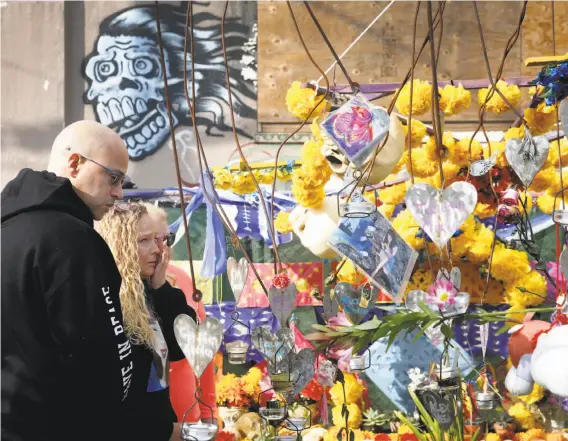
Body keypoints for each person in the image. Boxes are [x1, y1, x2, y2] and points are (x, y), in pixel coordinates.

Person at [1, 120, 132, 441]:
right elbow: (101, 355)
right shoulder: (75, 239)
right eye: (113, 178)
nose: (118, 192)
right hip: (53, 424)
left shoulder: (8, 229)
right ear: (75, 163)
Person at [96, 202, 198, 441]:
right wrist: (164, 431)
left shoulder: (148, 292)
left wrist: (162, 287)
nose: (157, 250)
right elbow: (112, 398)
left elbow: (185, 347)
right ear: (119, 246)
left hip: (161, 426)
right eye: (144, 241)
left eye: (159, 240)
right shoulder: (108, 301)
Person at [144, 203, 218, 425]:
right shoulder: (118, 286)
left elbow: (203, 348)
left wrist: (209, 412)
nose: (161, 249)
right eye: (148, 240)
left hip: (189, 414)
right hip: (147, 423)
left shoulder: (183, 279)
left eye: (166, 239)